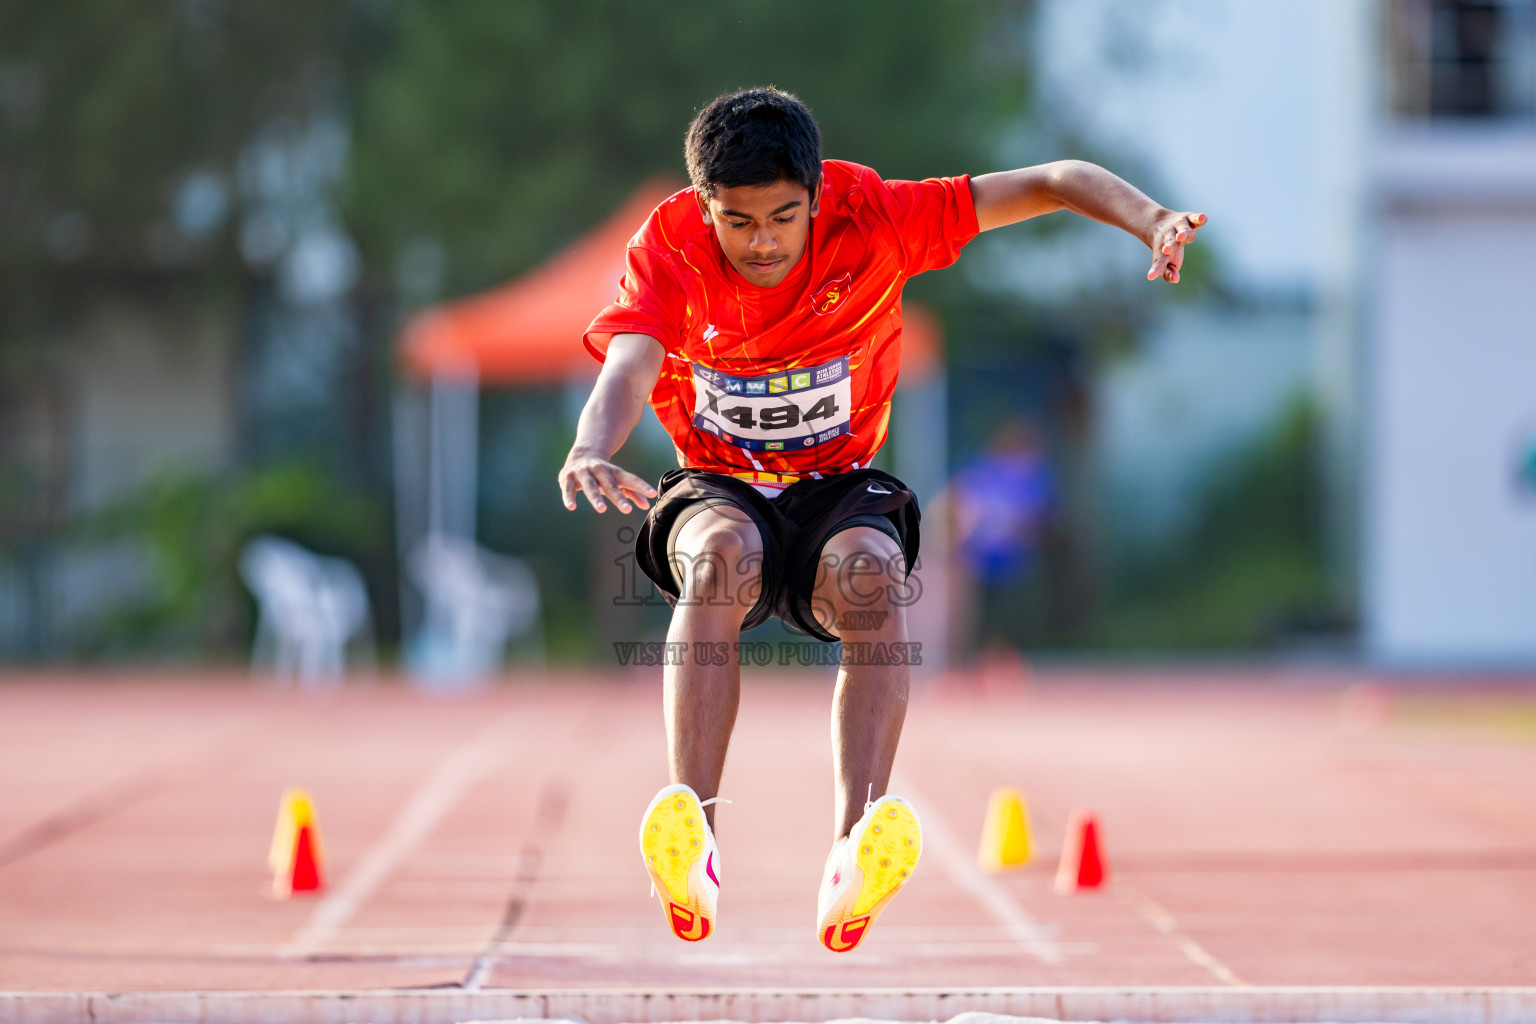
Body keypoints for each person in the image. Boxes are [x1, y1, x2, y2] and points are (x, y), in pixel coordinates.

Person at [557, 87, 1204, 951]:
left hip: (837, 483)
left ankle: (854, 851)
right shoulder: (669, 244)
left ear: (818, 197)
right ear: (704, 206)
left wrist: (1151, 217)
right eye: (738, 222)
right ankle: (695, 838)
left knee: (871, 575)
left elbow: (1053, 178)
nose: (762, 243)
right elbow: (631, 364)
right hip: (719, 481)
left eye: (784, 218)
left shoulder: (879, 215)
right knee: (718, 553)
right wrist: (591, 443)